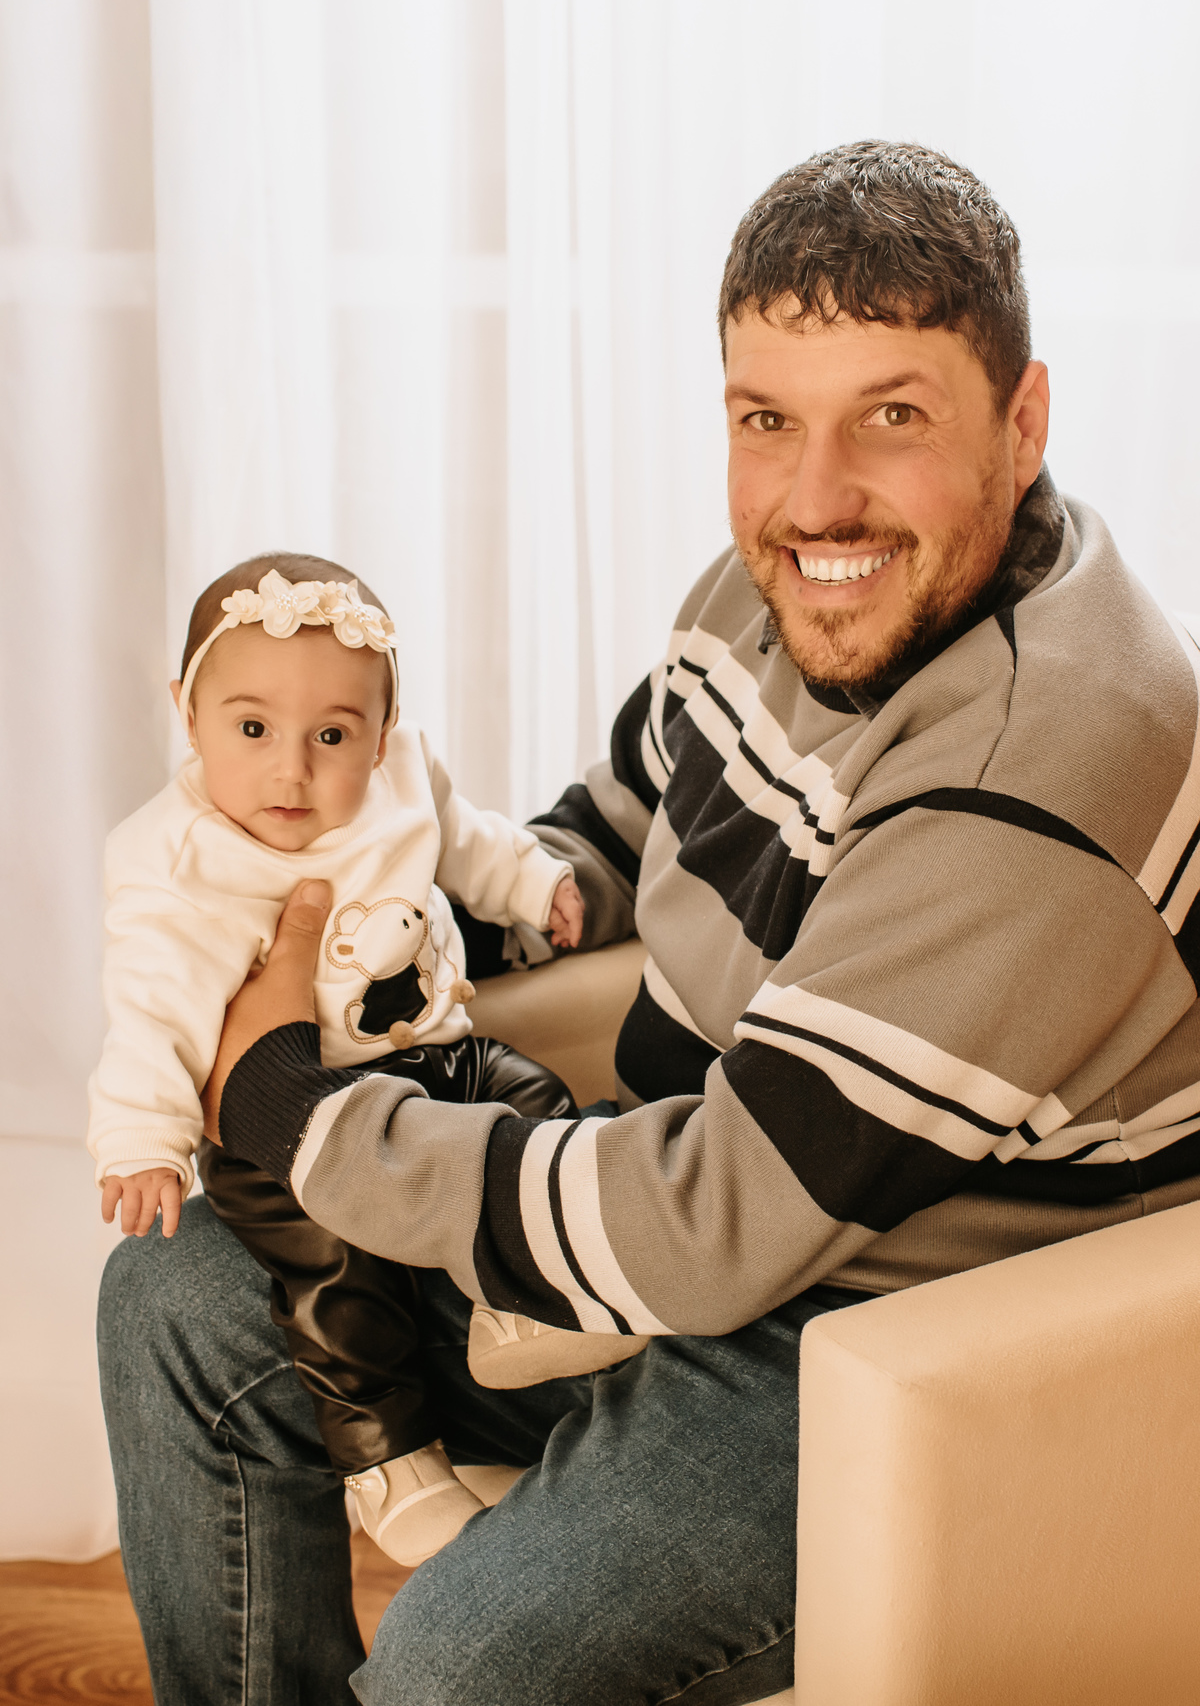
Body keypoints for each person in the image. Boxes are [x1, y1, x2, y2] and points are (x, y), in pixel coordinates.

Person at [99, 140, 1200, 1705]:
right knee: (176, 1293)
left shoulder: (1046, 765)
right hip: (697, 1215)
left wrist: (294, 1102)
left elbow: (714, 1223)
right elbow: (621, 825)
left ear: (1023, 423)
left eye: (893, 416)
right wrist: (367, 924)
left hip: (899, 1348)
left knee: (454, 1665)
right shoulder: (788, 589)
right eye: (767, 419)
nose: (815, 497)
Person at [87, 550, 642, 1569]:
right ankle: (388, 1459)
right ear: (187, 714)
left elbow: (468, 841)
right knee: (333, 1266)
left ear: (381, 735)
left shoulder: (402, 777)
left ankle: (525, 1295)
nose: (291, 770)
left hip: (438, 1063)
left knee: (534, 1102)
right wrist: (141, 1138)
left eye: (332, 735)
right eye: (252, 729)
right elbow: (152, 1008)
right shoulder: (178, 861)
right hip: (283, 1125)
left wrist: (535, 885)